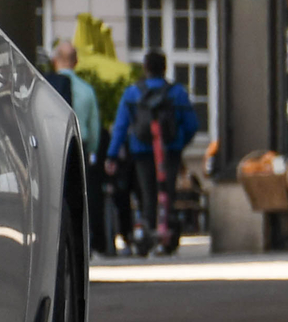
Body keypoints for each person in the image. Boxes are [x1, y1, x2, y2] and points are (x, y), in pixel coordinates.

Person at [105, 49, 200, 256]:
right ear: (164, 68)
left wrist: (112, 156)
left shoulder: (132, 93)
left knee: (146, 194)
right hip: (170, 151)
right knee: (167, 192)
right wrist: (178, 142)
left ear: (145, 68)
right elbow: (192, 124)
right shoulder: (177, 93)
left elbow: (120, 127)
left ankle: (148, 233)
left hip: (142, 151)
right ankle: (167, 233)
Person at [50, 41, 109, 254]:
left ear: (55, 60)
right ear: (76, 61)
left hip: (55, 146)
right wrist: (92, 151)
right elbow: (94, 127)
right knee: (81, 199)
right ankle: (83, 244)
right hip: (81, 146)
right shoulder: (86, 90)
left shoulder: (50, 88)